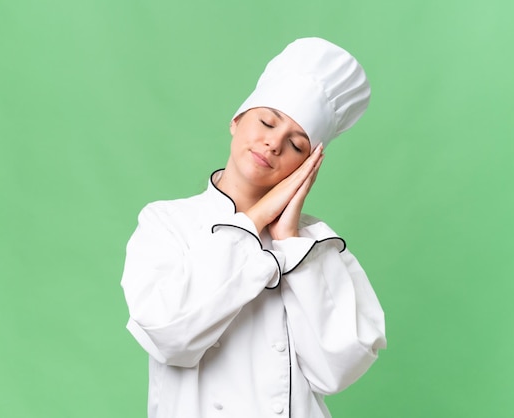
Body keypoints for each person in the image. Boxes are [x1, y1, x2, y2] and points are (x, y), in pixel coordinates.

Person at [120, 37, 386, 418]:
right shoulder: (167, 223)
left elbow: (339, 370)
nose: (273, 143)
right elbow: (168, 336)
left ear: (307, 166)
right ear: (236, 119)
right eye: (266, 121)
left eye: (296, 144)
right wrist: (254, 222)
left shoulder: (314, 247)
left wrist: (289, 243)